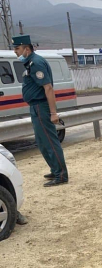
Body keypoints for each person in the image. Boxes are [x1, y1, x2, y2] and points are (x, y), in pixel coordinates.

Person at [13, 35, 69, 189]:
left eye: (17, 48)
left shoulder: (36, 62)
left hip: (41, 107)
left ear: (26, 48)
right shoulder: (30, 63)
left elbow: (48, 88)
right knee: (42, 141)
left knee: (49, 141)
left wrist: (53, 113)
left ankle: (61, 175)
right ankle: (55, 169)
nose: (15, 52)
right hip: (35, 107)